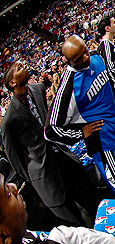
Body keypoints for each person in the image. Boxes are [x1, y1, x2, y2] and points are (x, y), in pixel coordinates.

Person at [46, 35, 115, 201]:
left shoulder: (97, 58)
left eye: (85, 51)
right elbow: (51, 129)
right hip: (103, 144)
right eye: (79, 58)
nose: (86, 58)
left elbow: (111, 81)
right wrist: (80, 133)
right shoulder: (68, 86)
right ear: (69, 62)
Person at [1, 61, 100, 226]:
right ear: (12, 83)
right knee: (73, 221)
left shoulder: (38, 89)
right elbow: (16, 161)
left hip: (62, 157)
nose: (24, 66)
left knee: (91, 199)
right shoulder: (9, 120)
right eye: (18, 68)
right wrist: (37, 181)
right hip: (45, 175)